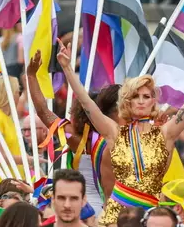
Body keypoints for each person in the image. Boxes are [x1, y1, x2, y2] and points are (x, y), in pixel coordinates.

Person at [57, 42, 184, 227]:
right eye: (135, 96)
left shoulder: (166, 132)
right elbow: (86, 102)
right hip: (114, 222)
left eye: (146, 96)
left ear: (153, 101)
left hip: (152, 222)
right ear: (127, 102)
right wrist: (66, 68)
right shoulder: (114, 132)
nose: (140, 101)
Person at [26, 52, 119, 214]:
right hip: (102, 211)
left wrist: (31, 76)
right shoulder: (89, 141)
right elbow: (43, 112)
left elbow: (43, 111)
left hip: (86, 210)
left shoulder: (79, 140)